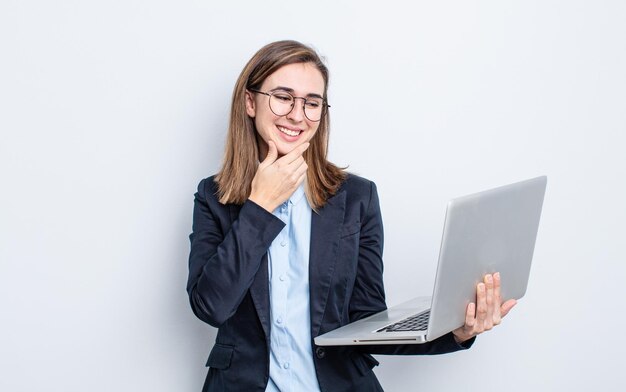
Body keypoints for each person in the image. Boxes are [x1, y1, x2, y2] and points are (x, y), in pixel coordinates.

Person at [186, 40, 516, 392]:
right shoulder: (214, 196)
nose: (298, 115)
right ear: (250, 102)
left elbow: (367, 322)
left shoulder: (357, 198)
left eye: (312, 102)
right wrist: (260, 206)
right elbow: (211, 307)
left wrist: (458, 330)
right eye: (283, 97)